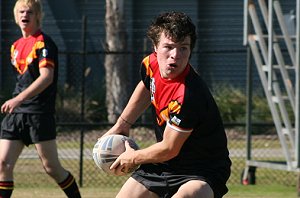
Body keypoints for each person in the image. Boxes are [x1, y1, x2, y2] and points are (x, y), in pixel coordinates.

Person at [102, 11, 231, 198]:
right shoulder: (151, 64)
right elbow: (147, 85)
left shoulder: (188, 94)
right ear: (155, 46)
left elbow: (170, 148)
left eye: (184, 48)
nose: (175, 55)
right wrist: (122, 124)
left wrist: (133, 157)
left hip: (202, 169)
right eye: (168, 47)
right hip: (163, 165)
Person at [0, 0, 81, 197]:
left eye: (29, 11)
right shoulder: (15, 46)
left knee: (52, 167)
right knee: (3, 163)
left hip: (38, 113)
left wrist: (18, 99)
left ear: (37, 15)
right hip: (16, 113)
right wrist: (17, 101)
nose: (24, 15)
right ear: (15, 16)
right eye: (21, 11)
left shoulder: (44, 42)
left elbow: (46, 78)